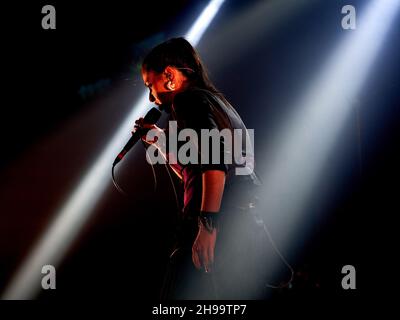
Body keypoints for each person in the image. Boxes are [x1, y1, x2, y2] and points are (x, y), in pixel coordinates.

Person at [134, 37, 267, 299]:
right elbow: (194, 171)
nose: (151, 97)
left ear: (169, 75)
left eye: (151, 85)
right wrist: (160, 141)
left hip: (214, 222)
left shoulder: (188, 101)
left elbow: (214, 164)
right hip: (236, 222)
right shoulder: (216, 102)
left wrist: (207, 226)